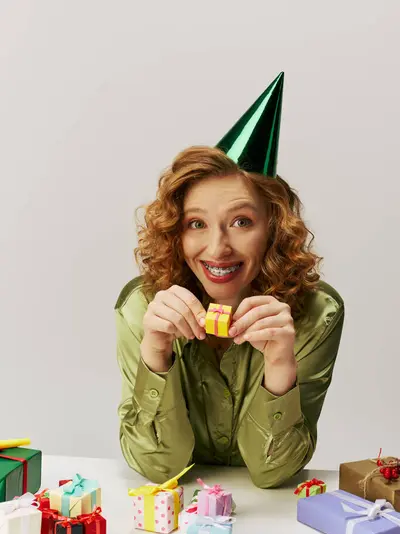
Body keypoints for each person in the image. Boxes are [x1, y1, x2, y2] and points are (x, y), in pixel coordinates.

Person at [115, 73, 344, 488]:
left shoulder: (316, 313)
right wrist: (155, 353)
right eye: (197, 223)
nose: (218, 248)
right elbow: (159, 469)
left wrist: (279, 365)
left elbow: (272, 472)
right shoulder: (141, 307)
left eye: (241, 221)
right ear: (176, 232)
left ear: (273, 227)